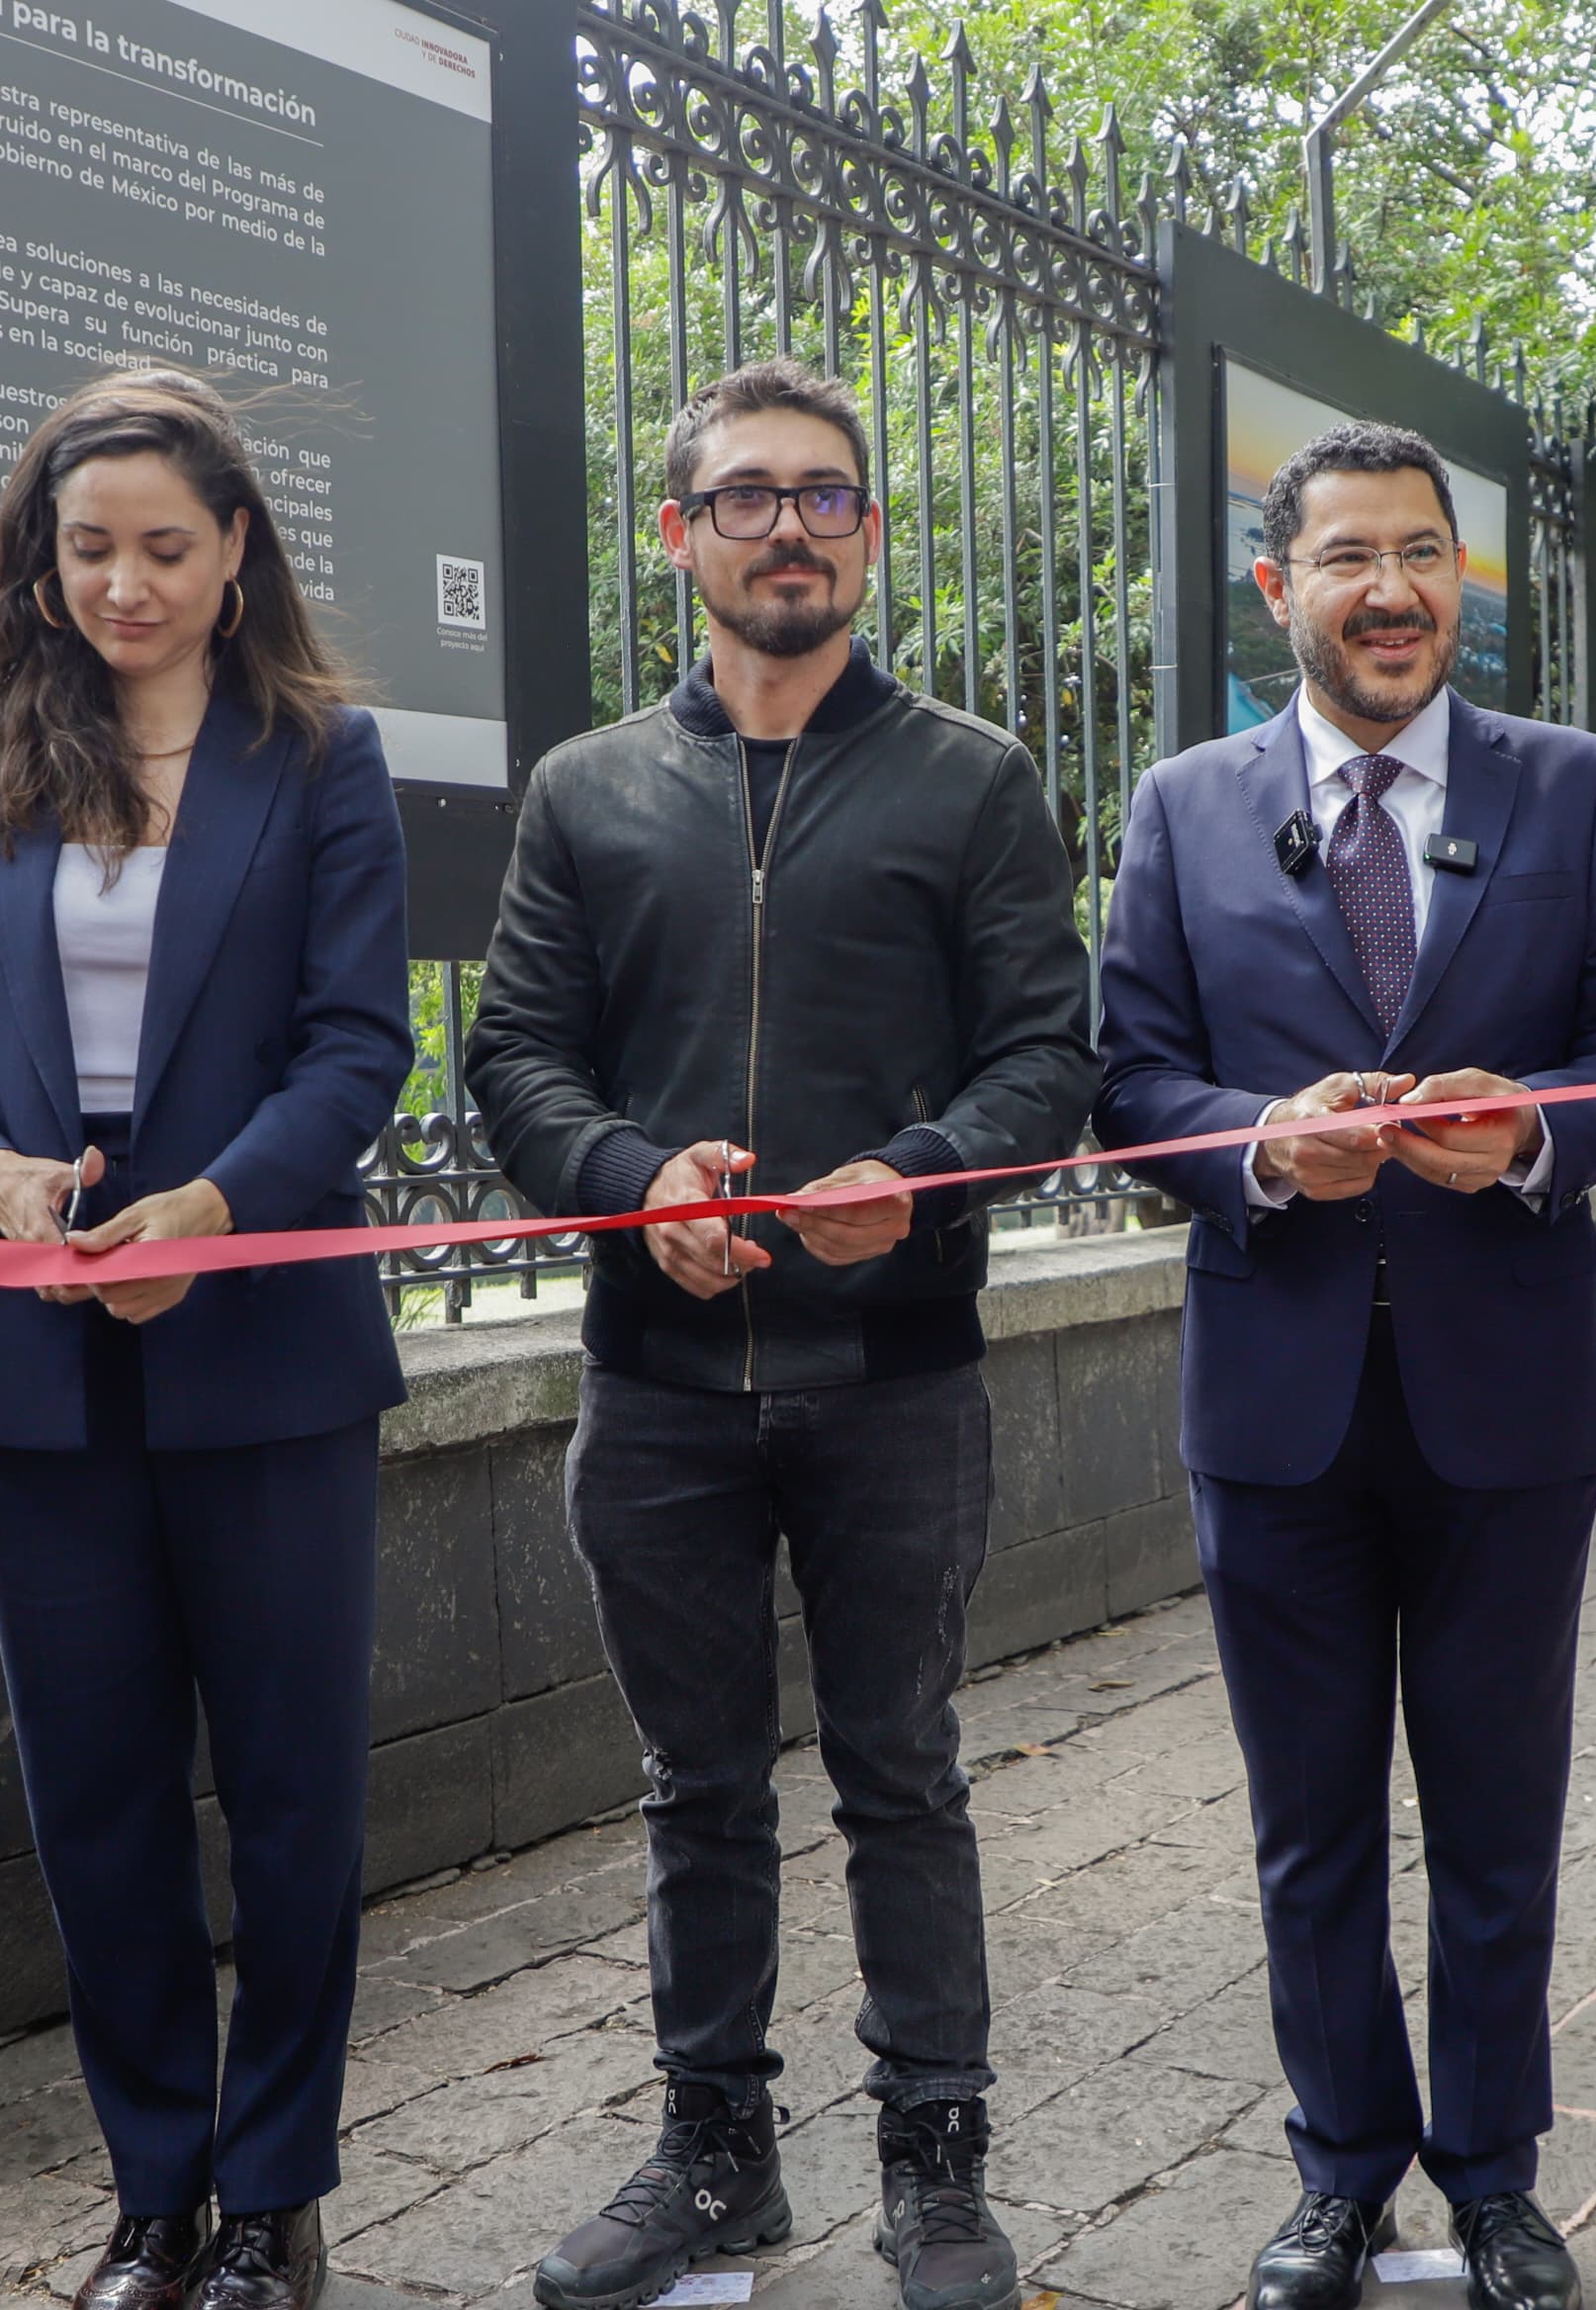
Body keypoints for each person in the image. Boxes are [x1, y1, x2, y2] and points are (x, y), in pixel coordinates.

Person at [468, 358, 1094, 2310]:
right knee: (696, 1785)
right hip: (655, 1387)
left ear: (870, 535)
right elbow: (516, 1054)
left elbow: (1046, 1056)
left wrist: (921, 1168)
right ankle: (715, 2154)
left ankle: (936, 2160)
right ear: (679, 535)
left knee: (902, 1769)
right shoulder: (586, 792)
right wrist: (633, 1179)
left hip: (896, 1378)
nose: (788, 529)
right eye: (745, 496)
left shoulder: (973, 779)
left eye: (824, 496)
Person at [1094, 421, 1596, 2310]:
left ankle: (1496, 2178)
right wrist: (1264, 1143)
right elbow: (1129, 1080)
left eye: (1424, 554)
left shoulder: (1573, 788)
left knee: (1501, 1817)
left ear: (1462, 580)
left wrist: (1530, 1131)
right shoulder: (1183, 806)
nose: (1392, 591)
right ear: (1281, 586)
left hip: (1508, 1395)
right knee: (1311, 1825)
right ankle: (1340, 2174)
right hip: (1274, 1402)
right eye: (1350, 557)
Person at [0, 370, 410, 2310]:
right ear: (41, 560)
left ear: (235, 548)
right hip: (44, 1355)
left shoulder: (319, 753)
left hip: (264, 1345)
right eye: (88, 547)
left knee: (291, 1796)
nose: (126, 583)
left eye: (165, 546)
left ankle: (275, 2196)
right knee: (96, 1800)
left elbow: (357, 1044)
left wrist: (215, 1212)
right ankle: (156, 2194)